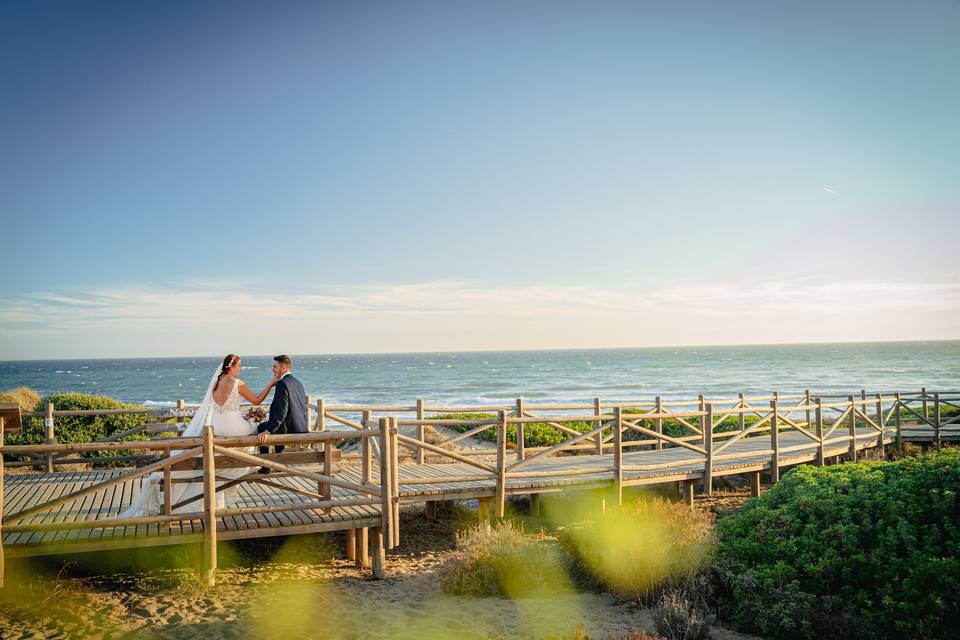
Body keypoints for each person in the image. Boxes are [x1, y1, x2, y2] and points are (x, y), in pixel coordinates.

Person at [119, 354, 278, 516]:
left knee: (230, 439)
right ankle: (251, 465)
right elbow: (257, 401)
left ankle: (235, 465)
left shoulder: (216, 383)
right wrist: (271, 384)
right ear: (231, 367)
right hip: (234, 426)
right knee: (255, 429)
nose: (240, 369)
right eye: (239, 366)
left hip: (216, 427)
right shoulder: (238, 383)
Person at [255, 354, 308, 472]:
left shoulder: (282, 383)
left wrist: (267, 432)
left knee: (262, 427)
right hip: (300, 427)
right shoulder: (298, 383)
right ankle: (279, 462)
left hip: (290, 429)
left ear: (283, 368)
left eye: (275, 367)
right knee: (275, 425)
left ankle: (265, 466)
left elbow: (281, 412)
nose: (272, 369)